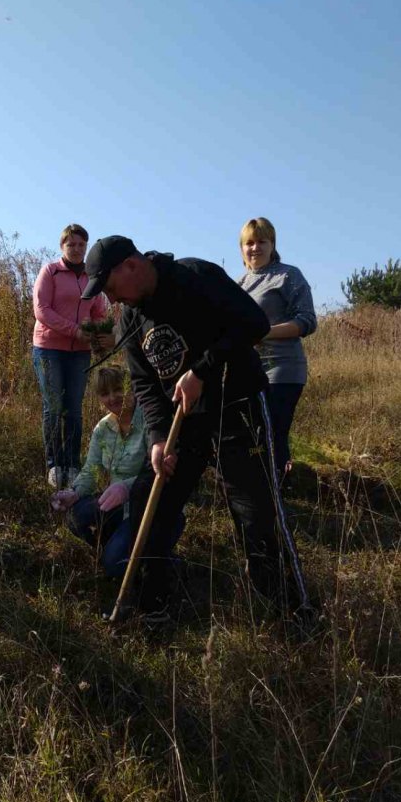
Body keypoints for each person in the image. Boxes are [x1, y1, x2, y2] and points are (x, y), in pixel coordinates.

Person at [80, 235, 312, 625]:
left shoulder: (194, 276)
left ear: (131, 267)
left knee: (256, 513)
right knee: (150, 501)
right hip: (182, 423)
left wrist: (203, 370)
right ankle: (155, 606)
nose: (113, 299)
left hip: (237, 409)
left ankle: (289, 612)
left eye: (111, 287)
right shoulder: (131, 318)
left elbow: (253, 323)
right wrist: (156, 438)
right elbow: (144, 386)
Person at [51, 366, 152, 577]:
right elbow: (91, 469)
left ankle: (156, 560)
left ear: (131, 389)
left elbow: (156, 473)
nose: (113, 398)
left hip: (147, 507)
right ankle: (117, 547)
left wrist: (126, 487)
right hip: (116, 505)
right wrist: (74, 492)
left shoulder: (150, 421)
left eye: (118, 389)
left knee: (114, 564)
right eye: (105, 393)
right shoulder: (102, 429)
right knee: (74, 516)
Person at [32, 224, 110, 489]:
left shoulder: (92, 275)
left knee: (74, 410)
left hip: (80, 352)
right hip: (49, 348)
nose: (76, 250)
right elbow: (42, 310)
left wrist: (98, 332)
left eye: (81, 245)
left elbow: (99, 311)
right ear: (62, 246)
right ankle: (54, 465)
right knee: (53, 407)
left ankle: (72, 465)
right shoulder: (50, 271)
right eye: (71, 245)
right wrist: (74, 331)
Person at [238, 217, 317, 476]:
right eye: (249, 243)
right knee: (251, 435)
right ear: (241, 249)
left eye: (262, 241)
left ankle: (278, 495)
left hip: (283, 369)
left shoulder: (288, 275)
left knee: (273, 433)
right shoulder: (238, 285)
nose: (255, 248)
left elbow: (307, 321)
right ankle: (261, 490)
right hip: (248, 370)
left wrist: (265, 333)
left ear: (272, 244)